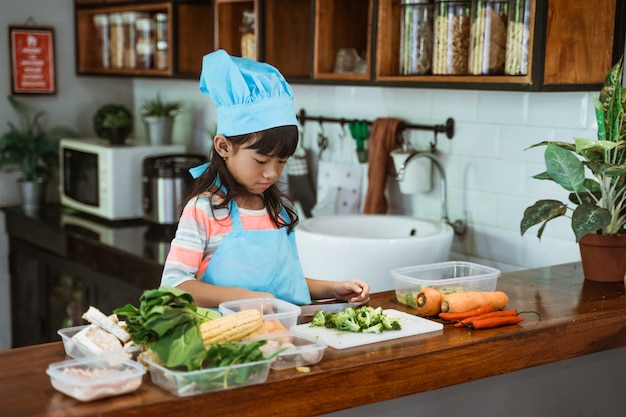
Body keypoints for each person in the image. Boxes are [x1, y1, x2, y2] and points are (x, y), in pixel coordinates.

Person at [160, 50, 370, 308]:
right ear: (224, 147)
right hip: (223, 341)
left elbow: (284, 285)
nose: (272, 173)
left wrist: (333, 288)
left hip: (280, 335)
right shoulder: (204, 210)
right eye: (261, 161)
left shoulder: (276, 210)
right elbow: (174, 286)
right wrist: (245, 298)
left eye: (282, 161)